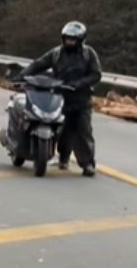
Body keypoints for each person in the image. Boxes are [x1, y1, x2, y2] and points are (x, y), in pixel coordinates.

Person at [19, 21, 102, 177]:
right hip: (59, 96)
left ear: (81, 40)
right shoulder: (56, 53)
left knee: (83, 131)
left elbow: (96, 74)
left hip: (81, 99)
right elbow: (39, 64)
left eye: (73, 39)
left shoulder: (89, 54)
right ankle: (63, 158)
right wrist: (23, 74)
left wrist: (78, 84)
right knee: (61, 129)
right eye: (67, 38)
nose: (69, 41)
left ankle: (88, 164)